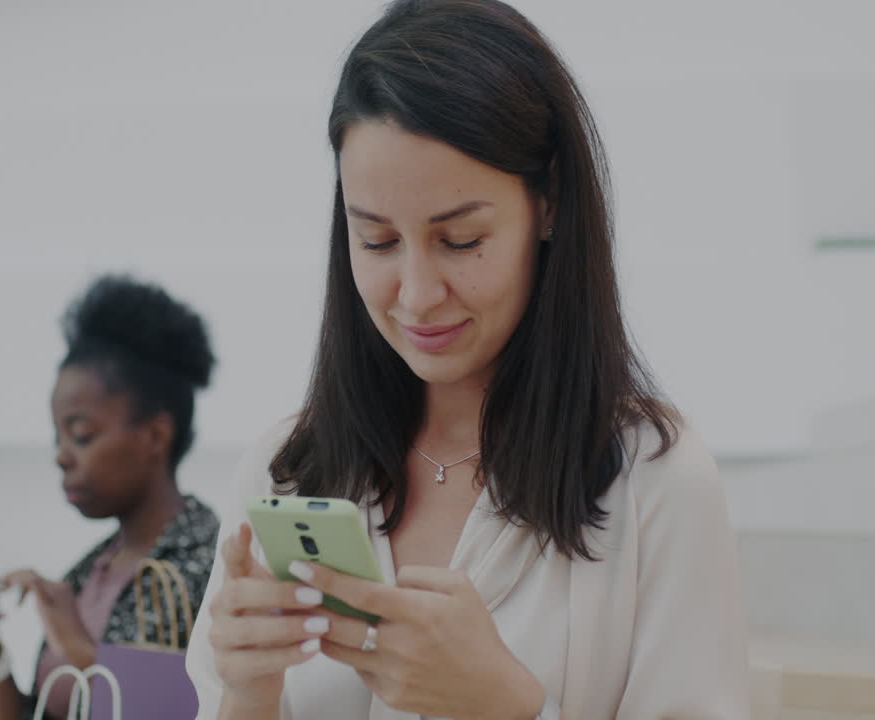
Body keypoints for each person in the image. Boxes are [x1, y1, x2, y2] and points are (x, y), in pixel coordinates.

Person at [186, 0, 750, 718]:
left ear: (546, 205)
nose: (418, 296)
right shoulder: (285, 470)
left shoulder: (653, 481)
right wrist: (246, 693)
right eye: (379, 241)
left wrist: (508, 705)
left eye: (460, 241)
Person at [0, 275, 221, 719]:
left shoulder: (213, 567)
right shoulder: (85, 575)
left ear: (155, 434)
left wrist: (81, 653)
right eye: (58, 438)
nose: (61, 456)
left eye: (81, 435)